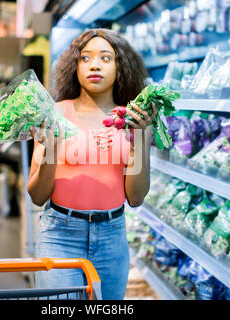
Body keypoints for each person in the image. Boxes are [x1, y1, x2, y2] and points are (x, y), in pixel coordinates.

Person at [27, 28, 156, 300]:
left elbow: (136, 197)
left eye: (106, 58)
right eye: (85, 58)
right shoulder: (54, 113)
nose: (94, 64)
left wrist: (142, 140)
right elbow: (38, 196)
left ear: (121, 67)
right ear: (75, 66)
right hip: (60, 234)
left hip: (112, 236)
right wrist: (50, 148)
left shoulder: (133, 120)